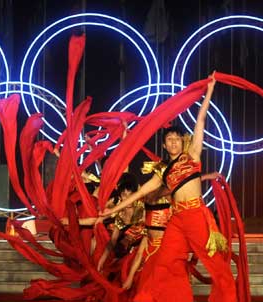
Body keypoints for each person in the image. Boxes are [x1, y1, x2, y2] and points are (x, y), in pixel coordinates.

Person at [101, 72, 237, 302]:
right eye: (169, 140)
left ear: (182, 141)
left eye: (176, 139)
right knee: (165, 264)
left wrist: (209, 91)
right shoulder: (163, 170)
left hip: (195, 214)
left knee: (215, 263)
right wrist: (112, 211)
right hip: (177, 219)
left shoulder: (192, 155)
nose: (173, 142)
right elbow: (141, 193)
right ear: (164, 145)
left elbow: (201, 120)